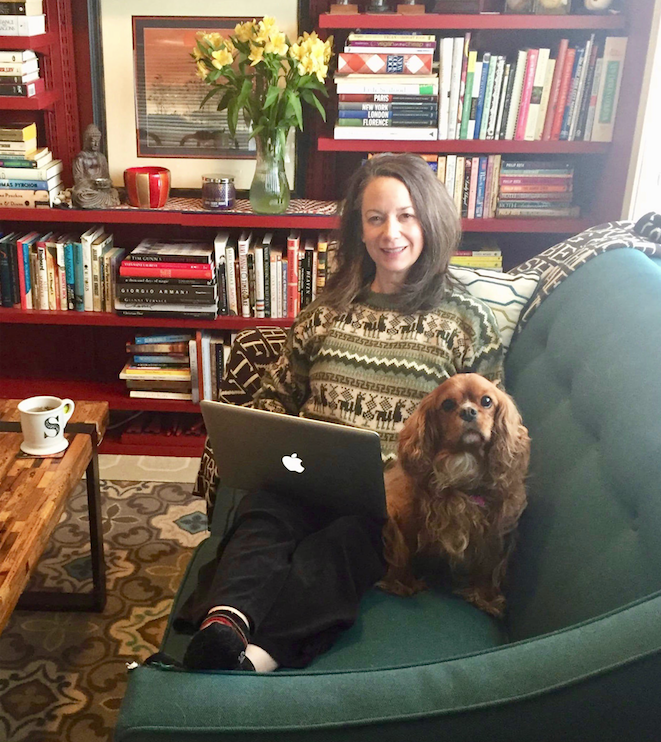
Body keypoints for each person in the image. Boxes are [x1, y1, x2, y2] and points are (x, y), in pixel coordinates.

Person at [174, 153, 504, 673]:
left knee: (342, 545)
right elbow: (276, 398)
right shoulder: (324, 312)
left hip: (391, 504)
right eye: (375, 218)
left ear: (431, 221)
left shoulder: (466, 322)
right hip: (305, 477)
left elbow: (488, 429)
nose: (390, 233)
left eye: (406, 215)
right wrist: (261, 442)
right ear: (359, 228)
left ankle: (259, 656)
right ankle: (224, 624)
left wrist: (429, 477)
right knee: (264, 516)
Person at [71, 123, 120, 209]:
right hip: (89, 191)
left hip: (103, 191)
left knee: (114, 192)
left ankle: (104, 199)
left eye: (98, 141)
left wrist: (106, 183)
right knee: (80, 196)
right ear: (87, 141)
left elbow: (106, 177)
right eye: (93, 141)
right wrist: (94, 184)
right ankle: (102, 201)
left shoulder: (101, 157)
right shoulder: (80, 158)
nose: (96, 144)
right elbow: (78, 180)